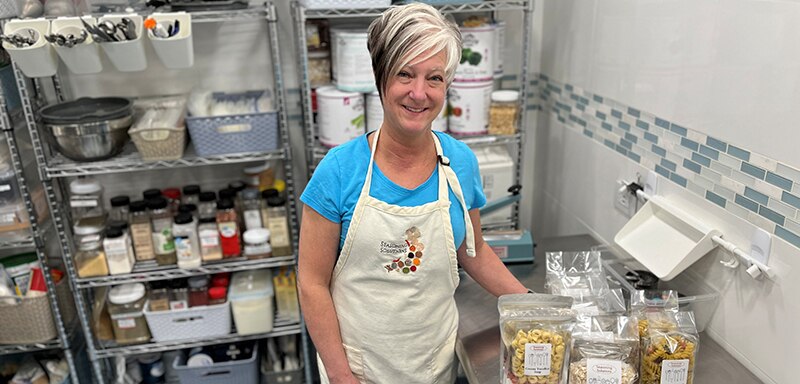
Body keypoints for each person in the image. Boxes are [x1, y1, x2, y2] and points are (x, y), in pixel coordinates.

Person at [298, 3, 528, 383]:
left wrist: (532, 305)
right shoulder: (339, 170)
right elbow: (311, 284)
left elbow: (472, 250)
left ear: (447, 86)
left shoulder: (459, 162)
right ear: (382, 78)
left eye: (434, 78)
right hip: (358, 370)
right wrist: (341, 376)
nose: (419, 93)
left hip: (434, 364)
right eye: (405, 74)